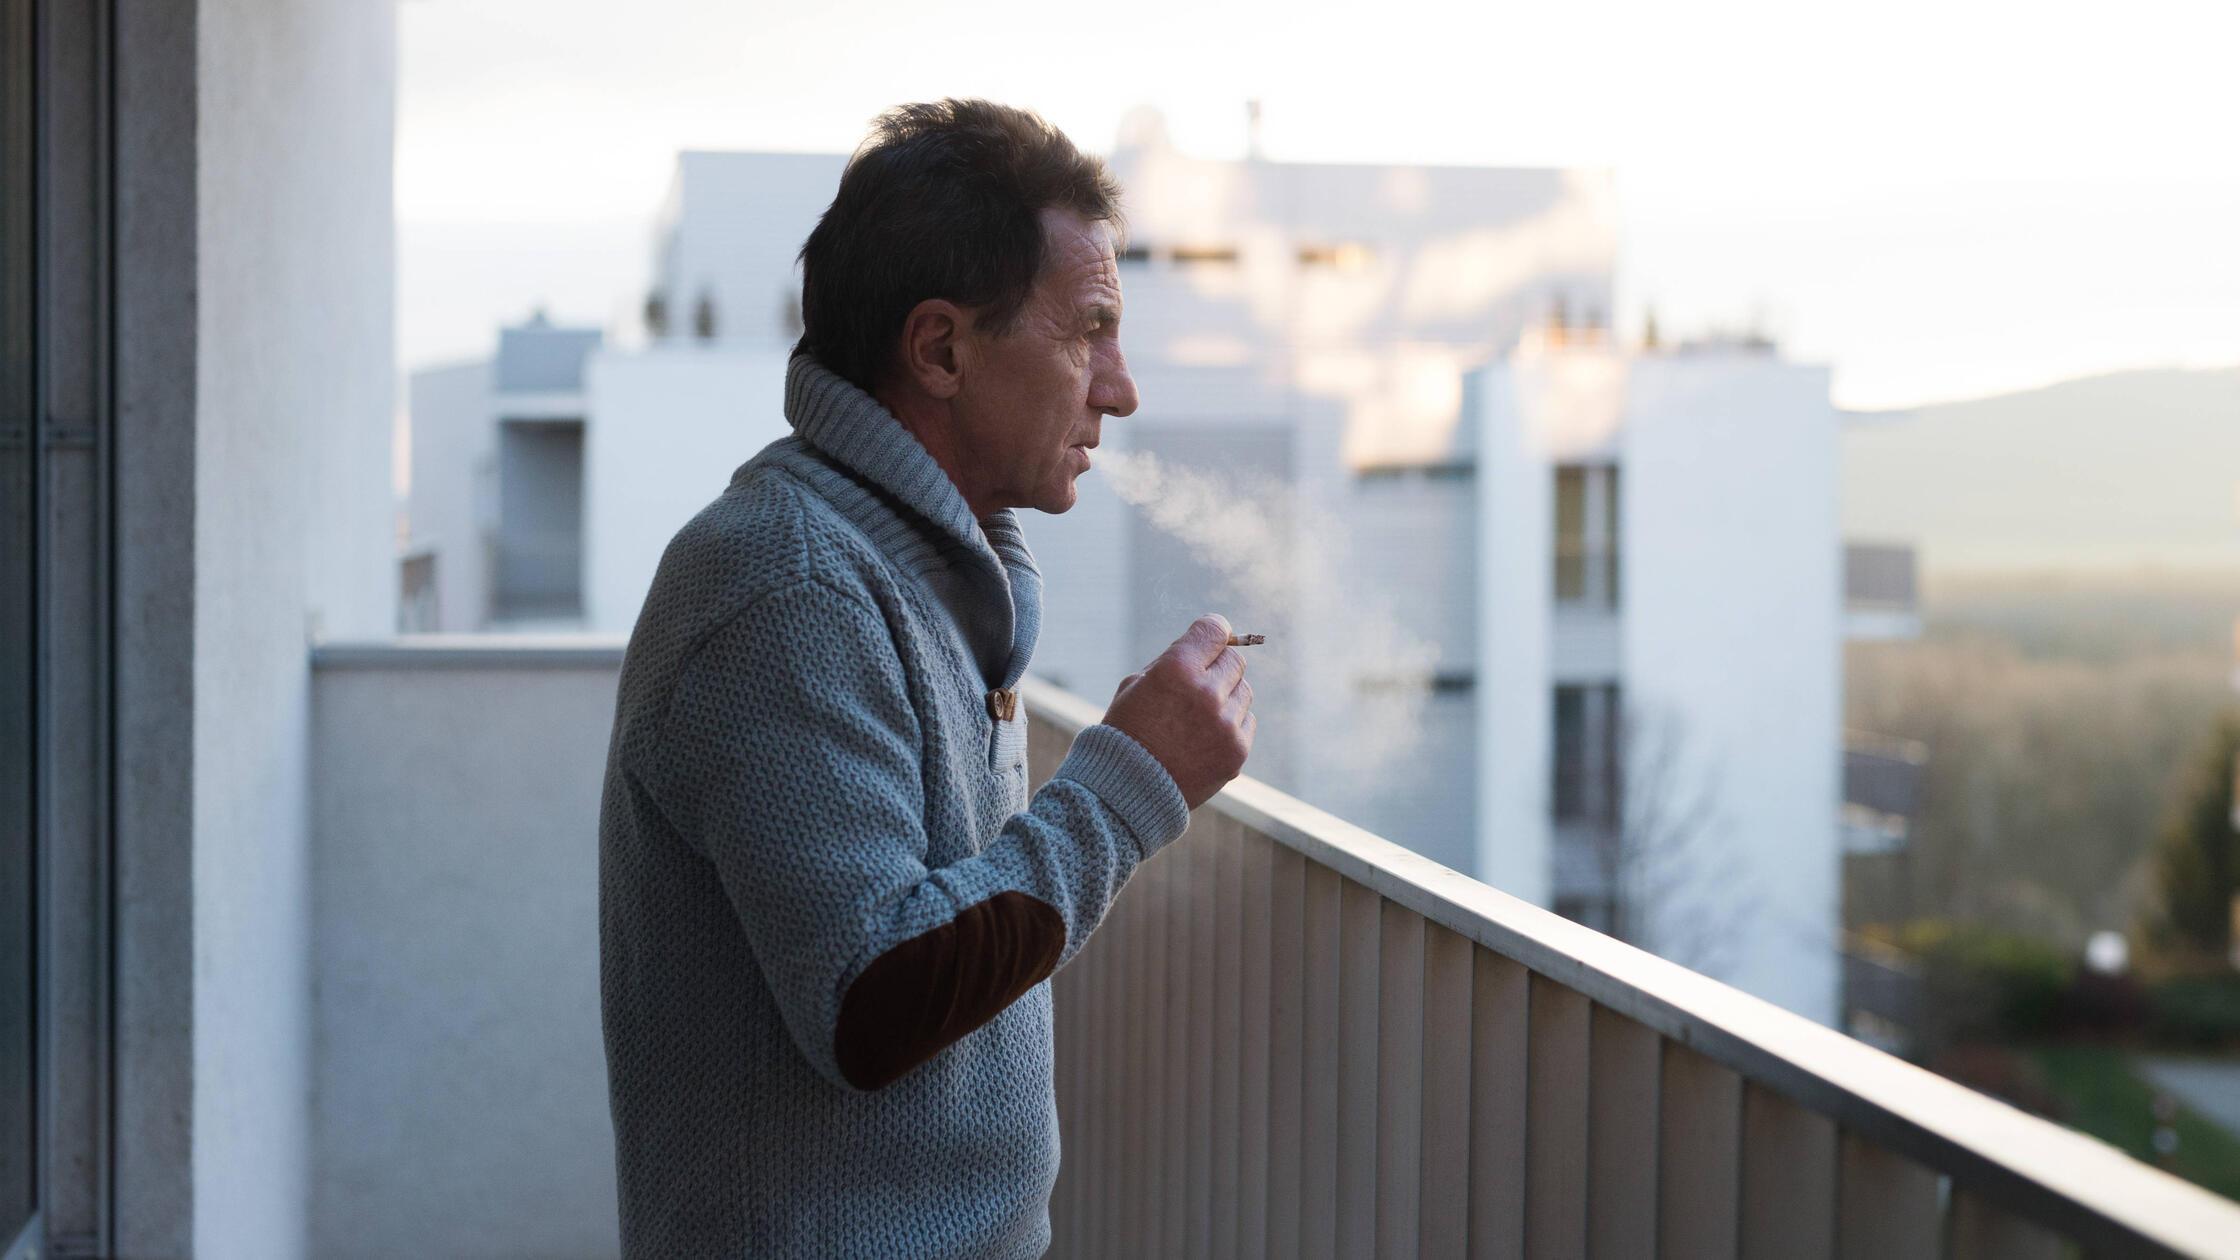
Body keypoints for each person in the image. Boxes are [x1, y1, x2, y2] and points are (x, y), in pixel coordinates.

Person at [597, 99, 1255, 1258]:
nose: (1119, 389)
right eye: (1088, 332)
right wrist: (1129, 784)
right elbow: (871, 997)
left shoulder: (909, 574)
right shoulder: (790, 587)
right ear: (942, 350)